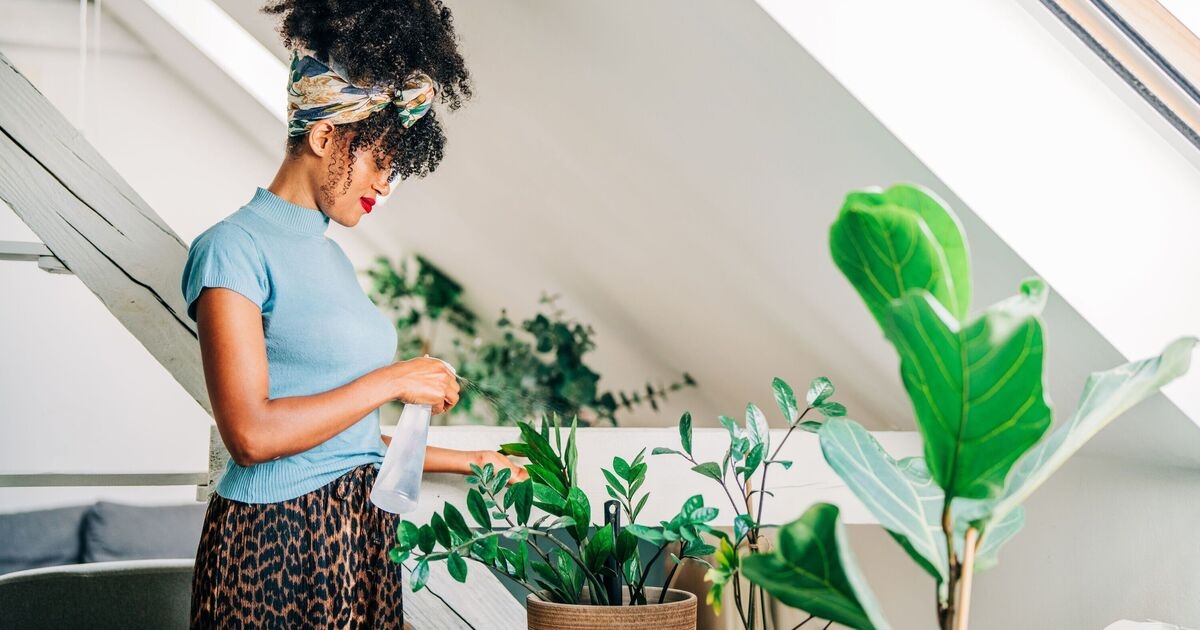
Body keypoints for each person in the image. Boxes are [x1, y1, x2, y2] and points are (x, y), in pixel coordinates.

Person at [180, 1, 525, 627]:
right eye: (379, 162)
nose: (386, 185)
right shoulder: (231, 249)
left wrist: (473, 461)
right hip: (273, 539)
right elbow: (252, 437)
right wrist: (395, 379)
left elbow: (346, 440)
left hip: (359, 535)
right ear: (324, 137)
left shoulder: (334, 261)